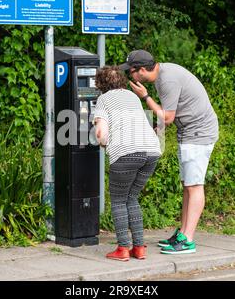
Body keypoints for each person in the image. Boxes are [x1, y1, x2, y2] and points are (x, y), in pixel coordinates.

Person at [119, 50, 219, 255]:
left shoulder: (167, 80)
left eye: (131, 72)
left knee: (195, 185)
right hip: (190, 132)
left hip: (198, 133)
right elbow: (168, 115)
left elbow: (168, 117)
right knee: (187, 185)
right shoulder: (163, 75)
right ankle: (182, 233)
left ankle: (188, 240)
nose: (130, 76)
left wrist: (145, 97)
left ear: (142, 71)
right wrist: (156, 128)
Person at [93, 66, 161, 261]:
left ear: (101, 84)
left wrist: (104, 143)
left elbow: (101, 134)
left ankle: (123, 249)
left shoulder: (103, 100)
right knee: (132, 198)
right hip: (151, 151)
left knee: (118, 201)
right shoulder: (132, 97)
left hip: (126, 153)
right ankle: (139, 248)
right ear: (121, 81)